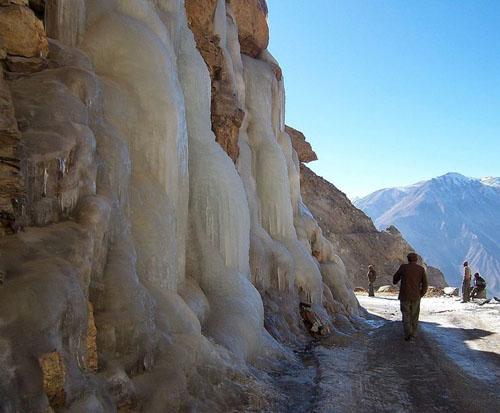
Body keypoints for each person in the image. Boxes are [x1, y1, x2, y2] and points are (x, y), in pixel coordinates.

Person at [393, 252, 428, 341]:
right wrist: (421, 294)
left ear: (408, 259)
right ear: (416, 260)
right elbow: (425, 284)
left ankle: (407, 333)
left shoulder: (403, 267)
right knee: (414, 315)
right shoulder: (420, 269)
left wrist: (396, 281)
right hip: (416, 296)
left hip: (404, 295)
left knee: (405, 314)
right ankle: (413, 333)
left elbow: (395, 279)